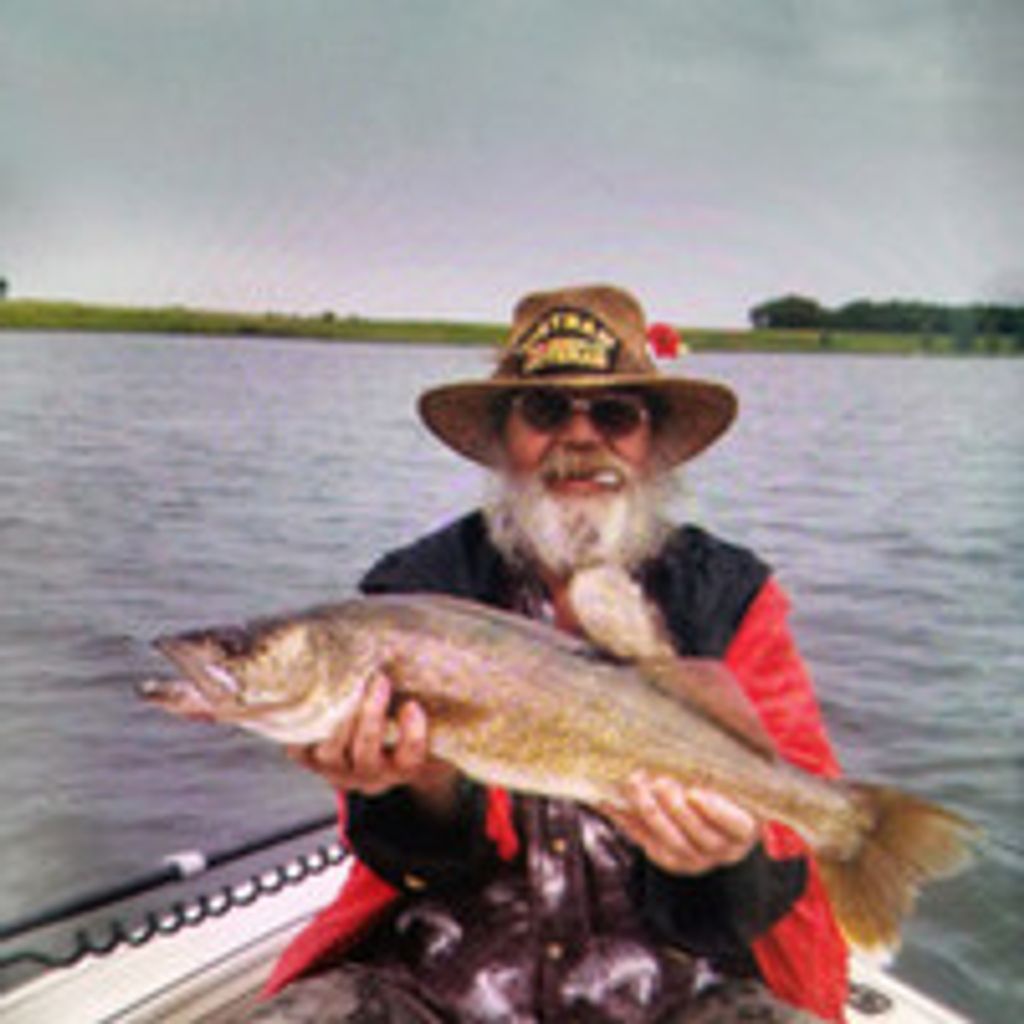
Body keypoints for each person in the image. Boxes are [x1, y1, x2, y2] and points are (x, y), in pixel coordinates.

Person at [253, 285, 848, 1023]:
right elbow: (404, 861)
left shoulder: (730, 593)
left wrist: (728, 859)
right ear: (504, 438)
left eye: (615, 414)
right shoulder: (415, 590)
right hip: (437, 983)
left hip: (677, 992)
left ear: (652, 444)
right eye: (544, 410)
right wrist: (421, 789)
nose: (581, 437)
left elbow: (787, 850)